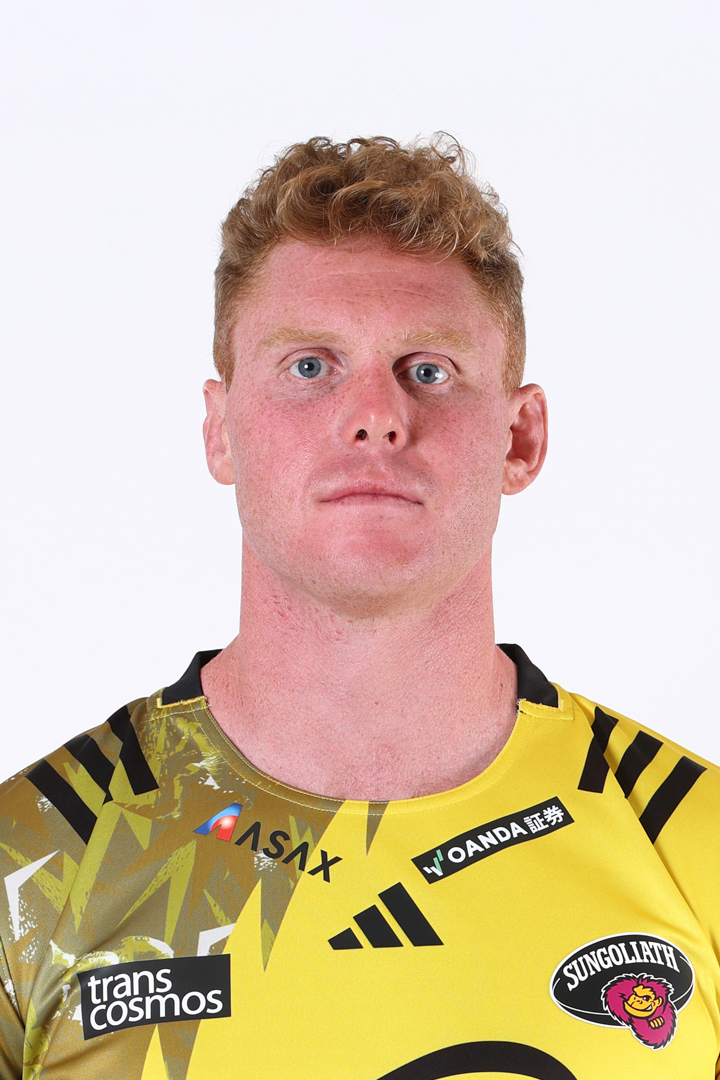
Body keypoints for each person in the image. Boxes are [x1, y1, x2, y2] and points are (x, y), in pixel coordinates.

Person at [0, 136, 718, 1080]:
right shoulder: (32, 866)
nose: (375, 414)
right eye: (310, 367)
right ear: (221, 431)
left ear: (521, 437)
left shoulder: (694, 843)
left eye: (429, 370)